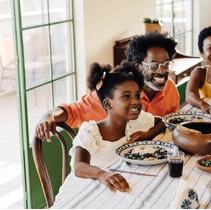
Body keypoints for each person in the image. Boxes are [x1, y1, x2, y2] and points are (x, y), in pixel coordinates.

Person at [35, 32, 179, 142]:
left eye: (166, 65)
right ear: (138, 67)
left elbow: (169, 121)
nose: (162, 71)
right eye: (154, 65)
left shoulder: (170, 89)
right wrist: (48, 116)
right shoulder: (113, 91)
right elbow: (73, 111)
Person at [70, 61, 154, 192]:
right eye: (126, 96)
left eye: (137, 95)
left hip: (112, 189)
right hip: (83, 190)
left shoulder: (136, 121)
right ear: (108, 104)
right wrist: (102, 174)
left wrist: (148, 134)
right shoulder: (91, 132)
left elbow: (161, 122)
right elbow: (79, 166)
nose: (136, 101)